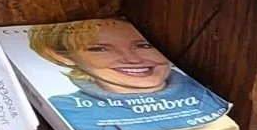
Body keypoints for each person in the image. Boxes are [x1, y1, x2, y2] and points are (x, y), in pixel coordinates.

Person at [27, 18, 174, 97]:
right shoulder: (67, 110)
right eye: (100, 49)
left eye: (144, 46)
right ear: (61, 56)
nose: (133, 59)